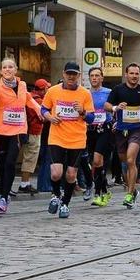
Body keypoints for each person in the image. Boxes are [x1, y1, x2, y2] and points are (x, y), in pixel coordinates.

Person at [0, 59, 41, 213]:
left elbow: (29, 100)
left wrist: (41, 111)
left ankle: (4, 198)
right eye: (4, 67)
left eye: (10, 67)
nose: (7, 69)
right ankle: (4, 193)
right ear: (1, 70)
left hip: (18, 129)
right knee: (2, 164)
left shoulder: (22, 85)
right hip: (0, 129)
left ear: (16, 69)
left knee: (11, 162)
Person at [42, 62, 95, 218]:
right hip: (57, 137)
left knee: (71, 175)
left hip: (77, 139)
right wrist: (50, 117)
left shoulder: (85, 94)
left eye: (75, 74)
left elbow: (91, 118)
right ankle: (56, 195)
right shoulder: (53, 91)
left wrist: (83, 112)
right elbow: (43, 108)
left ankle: (65, 203)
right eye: (69, 74)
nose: (71, 77)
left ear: (78, 76)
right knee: (56, 173)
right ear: (64, 74)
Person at [105, 63, 140, 209]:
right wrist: (115, 108)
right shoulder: (118, 90)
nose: (134, 76)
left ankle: (128, 194)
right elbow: (106, 105)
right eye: (132, 73)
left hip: (137, 129)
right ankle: (132, 190)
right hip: (121, 130)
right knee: (124, 163)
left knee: (130, 159)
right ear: (126, 75)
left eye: (137, 73)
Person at [87, 67, 114, 207]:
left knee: (98, 159)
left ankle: (97, 193)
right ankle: (104, 190)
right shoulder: (85, 93)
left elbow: (115, 108)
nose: (95, 78)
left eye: (97, 75)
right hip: (89, 130)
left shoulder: (108, 92)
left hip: (104, 129)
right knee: (96, 163)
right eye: (92, 75)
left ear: (102, 78)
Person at [18, 79, 50, 194]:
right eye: (46, 88)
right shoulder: (38, 101)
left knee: (27, 157)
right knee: (30, 157)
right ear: (42, 89)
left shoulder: (29, 96)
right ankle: (24, 183)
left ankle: (25, 182)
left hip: (26, 132)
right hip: (33, 133)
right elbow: (43, 118)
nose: (47, 90)